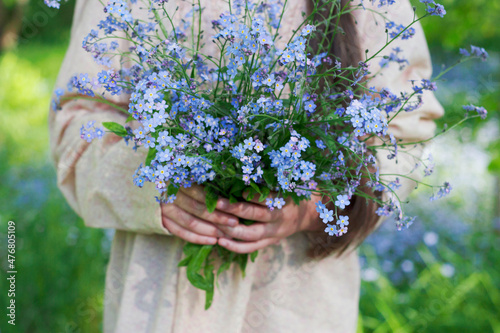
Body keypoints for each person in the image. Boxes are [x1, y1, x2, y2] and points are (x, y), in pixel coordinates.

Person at [49, 0, 444, 331]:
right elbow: (75, 119)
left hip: (300, 302)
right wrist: (153, 182)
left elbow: (406, 128)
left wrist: (314, 203)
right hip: (161, 298)